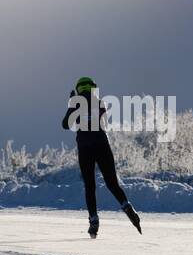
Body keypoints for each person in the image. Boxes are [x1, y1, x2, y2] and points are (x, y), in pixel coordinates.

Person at [61, 77, 142, 238]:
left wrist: (72, 104)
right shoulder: (100, 102)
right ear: (92, 88)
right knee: (112, 183)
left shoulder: (76, 102)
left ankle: (93, 220)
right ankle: (127, 207)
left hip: (85, 147)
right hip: (101, 144)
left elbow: (65, 124)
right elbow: (103, 121)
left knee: (90, 186)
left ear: (78, 89)